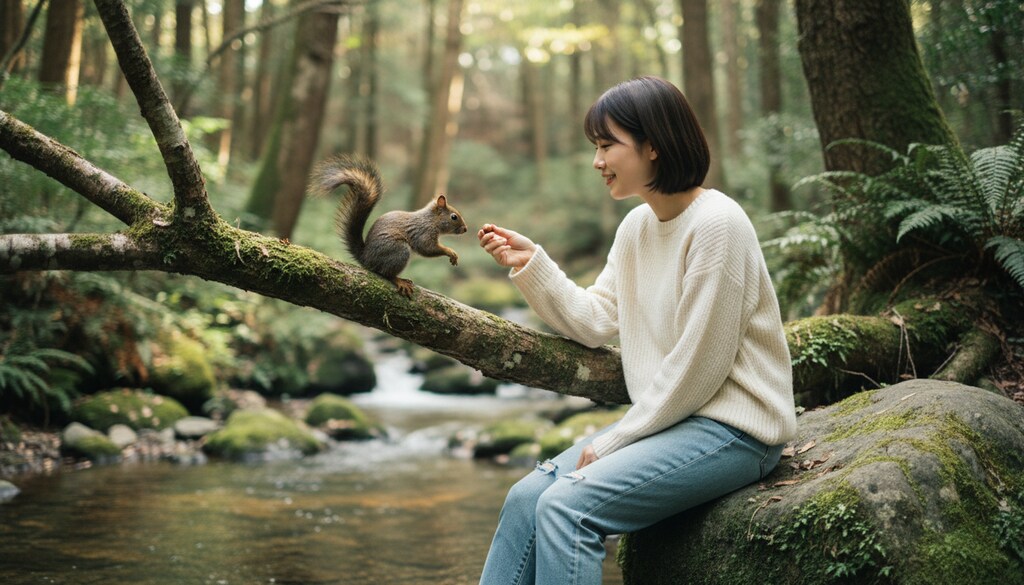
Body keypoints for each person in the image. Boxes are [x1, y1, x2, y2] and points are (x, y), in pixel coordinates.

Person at [476, 76, 797, 585]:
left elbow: (700, 366)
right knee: (525, 499)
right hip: (672, 423)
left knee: (567, 507)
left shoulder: (718, 225)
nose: (597, 161)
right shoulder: (637, 227)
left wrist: (617, 441)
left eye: (607, 146)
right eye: (596, 147)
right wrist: (533, 263)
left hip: (735, 431)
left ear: (652, 146)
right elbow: (594, 320)